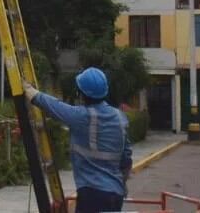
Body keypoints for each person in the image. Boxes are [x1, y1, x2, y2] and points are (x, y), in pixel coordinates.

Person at [23, 67, 131, 213]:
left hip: (91, 194)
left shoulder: (81, 116)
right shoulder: (120, 118)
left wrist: (31, 92)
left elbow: (55, 107)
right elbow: (126, 159)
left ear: (82, 94)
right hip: (115, 194)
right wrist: (121, 184)